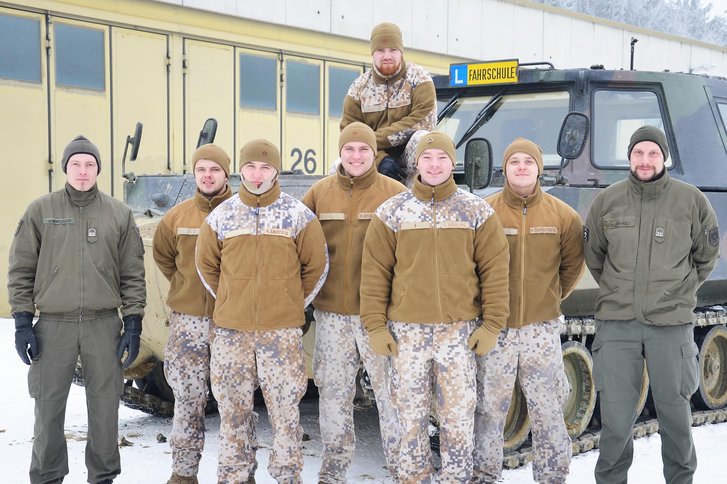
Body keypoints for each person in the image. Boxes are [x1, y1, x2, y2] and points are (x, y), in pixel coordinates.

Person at [360, 131, 510, 482]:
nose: (435, 164)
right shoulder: (393, 211)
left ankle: (457, 478)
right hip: (406, 335)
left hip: (459, 333)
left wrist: (491, 325)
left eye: (442, 158)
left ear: (452, 162)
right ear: (416, 164)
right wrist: (376, 326)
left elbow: (495, 272)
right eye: (427, 158)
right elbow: (374, 273)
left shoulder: (476, 211)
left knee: (458, 417)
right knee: (409, 417)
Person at [584, 126, 719, 484]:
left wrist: (680, 290)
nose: (646, 161)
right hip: (617, 325)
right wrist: (619, 290)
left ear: (664, 158)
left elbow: (706, 255)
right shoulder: (607, 201)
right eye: (639, 153)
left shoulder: (690, 201)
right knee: (615, 420)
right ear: (629, 157)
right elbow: (595, 256)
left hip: (671, 326)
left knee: (676, 417)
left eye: (653, 154)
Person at [8, 135, 146, 484]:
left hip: (103, 324)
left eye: (89, 164)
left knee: (104, 407)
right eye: (75, 164)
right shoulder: (41, 211)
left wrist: (132, 322)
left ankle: (102, 476)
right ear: (65, 168)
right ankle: (48, 475)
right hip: (54, 325)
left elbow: (132, 272)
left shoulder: (119, 213)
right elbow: (21, 268)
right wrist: (23, 320)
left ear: (98, 168)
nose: (82, 171)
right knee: (48, 406)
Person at [195, 139, 328, 483]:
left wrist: (290, 303)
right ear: (241, 170)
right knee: (233, 412)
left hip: (281, 334)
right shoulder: (222, 215)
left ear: (276, 171)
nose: (257, 175)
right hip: (230, 333)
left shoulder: (298, 215)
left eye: (265, 168)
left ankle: (287, 476)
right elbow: (207, 266)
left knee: (285, 413)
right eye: (251, 167)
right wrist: (230, 299)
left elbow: (316, 266)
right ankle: (235, 475)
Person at [472, 138, 585, 483]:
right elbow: (473, 267)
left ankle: (552, 475)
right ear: (504, 168)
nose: (521, 167)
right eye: (514, 161)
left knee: (548, 407)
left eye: (528, 161)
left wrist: (548, 298)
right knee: (489, 408)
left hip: (541, 328)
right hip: (496, 327)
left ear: (539, 168)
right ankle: (484, 473)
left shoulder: (563, 216)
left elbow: (571, 267)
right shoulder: (484, 210)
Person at [301, 122, 406, 482]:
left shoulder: (394, 193)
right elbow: (298, 248)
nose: (357, 156)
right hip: (332, 315)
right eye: (350, 149)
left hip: (380, 316)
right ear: (341, 152)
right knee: (332, 396)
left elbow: (407, 255)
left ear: (374, 153)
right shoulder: (319, 194)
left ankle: (401, 470)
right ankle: (334, 472)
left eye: (364, 149)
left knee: (393, 397)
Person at [152, 144, 233, 484]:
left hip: (231, 321)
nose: (208, 175)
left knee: (235, 401)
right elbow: (164, 257)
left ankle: (236, 473)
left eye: (214, 169)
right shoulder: (177, 216)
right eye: (201, 170)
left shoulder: (241, 212)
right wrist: (186, 288)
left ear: (226, 174)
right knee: (187, 398)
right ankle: (183, 474)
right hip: (188, 322)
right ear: (194, 174)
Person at [340, 22, 436, 183]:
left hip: (408, 154)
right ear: (372, 53)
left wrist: (370, 138)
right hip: (373, 156)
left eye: (393, 50)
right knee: (337, 165)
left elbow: (423, 123)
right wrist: (379, 159)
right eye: (380, 50)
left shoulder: (419, 78)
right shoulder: (359, 87)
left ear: (401, 52)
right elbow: (348, 134)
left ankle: (417, 195)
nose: (387, 56)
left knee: (422, 138)